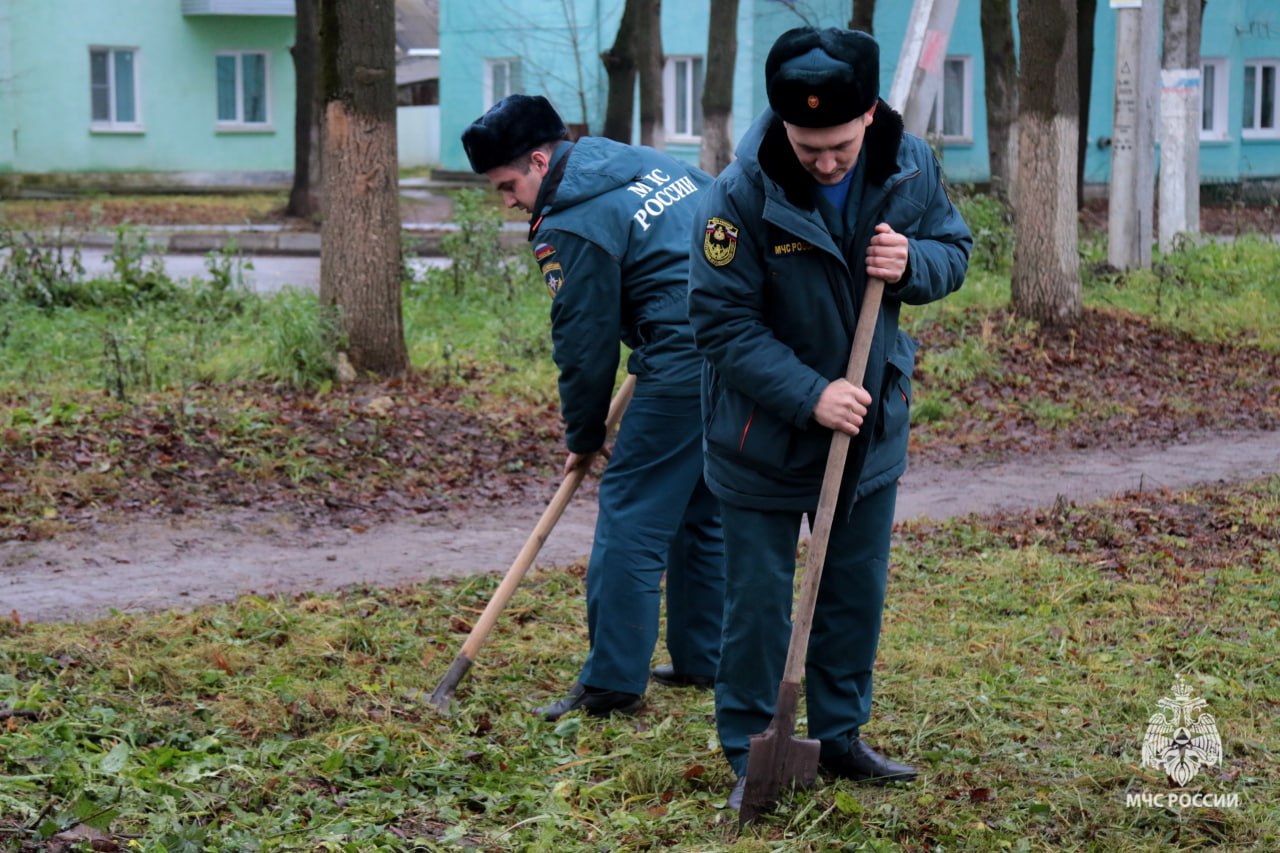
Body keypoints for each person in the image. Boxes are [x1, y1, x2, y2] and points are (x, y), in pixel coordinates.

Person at [686, 27, 972, 808]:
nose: (824, 161)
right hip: (761, 437)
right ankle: (751, 747)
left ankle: (840, 733)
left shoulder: (908, 166)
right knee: (756, 605)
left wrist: (913, 263)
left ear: (870, 114)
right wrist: (811, 393)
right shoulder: (739, 196)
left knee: (853, 588)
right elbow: (719, 325)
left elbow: (954, 249)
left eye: (840, 145)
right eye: (807, 145)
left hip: (869, 429)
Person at [461, 95, 726, 721]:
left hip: (683, 358)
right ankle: (705, 657)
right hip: (737, 344)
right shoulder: (642, 161)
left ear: (539, 160)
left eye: (508, 186)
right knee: (699, 506)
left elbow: (584, 341)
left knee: (632, 518)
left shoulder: (570, 223)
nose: (508, 202)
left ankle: (612, 682)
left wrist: (583, 435)